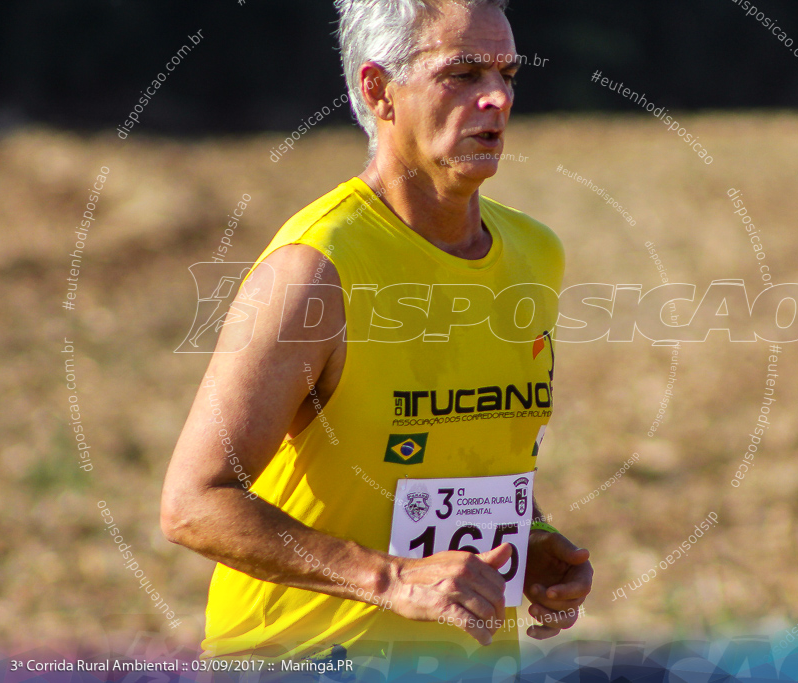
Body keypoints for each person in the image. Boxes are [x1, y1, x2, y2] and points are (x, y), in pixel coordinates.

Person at [160, 0, 592, 666]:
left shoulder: (537, 254)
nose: (496, 99)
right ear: (378, 90)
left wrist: (530, 539)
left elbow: (465, 446)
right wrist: (391, 579)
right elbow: (193, 503)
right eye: (463, 74)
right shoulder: (316, 268)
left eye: (506, 74)